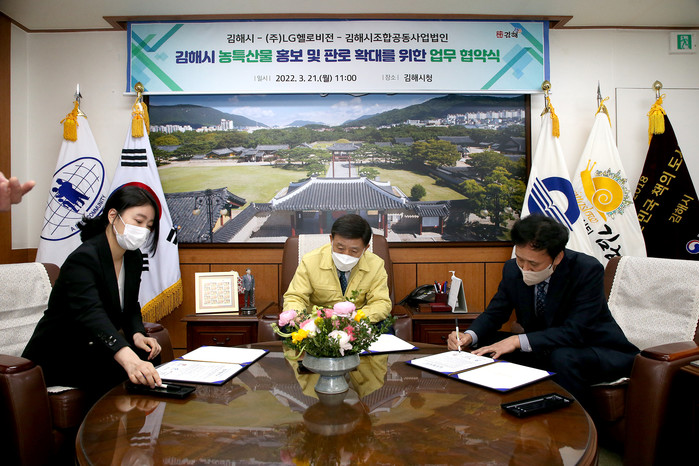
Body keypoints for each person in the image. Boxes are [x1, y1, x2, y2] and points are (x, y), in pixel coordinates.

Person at [447, 214, 639, 408]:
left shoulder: (585, 269)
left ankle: (576, 420)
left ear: (558, 257)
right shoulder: (512, 269)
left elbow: (576, 331)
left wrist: (516, 341)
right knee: (485, 344)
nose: (525, 268)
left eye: (534, 264)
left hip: (595, 349)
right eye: (520, 259)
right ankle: (500, 408)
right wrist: (468, 336)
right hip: (545, 347)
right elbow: (495, 312)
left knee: (562, 357)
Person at [23, 184, 163, 402]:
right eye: (138, 221)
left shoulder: (132, 257)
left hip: (94, 345)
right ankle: (113, 421)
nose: (143, 230)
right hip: (61, 351)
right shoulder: (84, 258)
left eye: (149, 225)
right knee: (118, 368)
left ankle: (136, 418)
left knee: (150, 357)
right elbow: (91, 313)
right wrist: (127, 357)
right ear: (113, 216)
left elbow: (130, 306)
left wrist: (137, 334)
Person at [283, 214, 391, 323]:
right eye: (340, 248)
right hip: (317, 322)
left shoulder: (376, 265)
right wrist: (300, 318)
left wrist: (355, 318)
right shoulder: (310, 261)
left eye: (354, 251)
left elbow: (381, 302)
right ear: (331, 240)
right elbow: (295, 297)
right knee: (288, 328)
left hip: (357, 321)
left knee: (385, 328)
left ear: (365, 248)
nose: (346, 255)